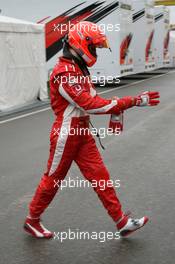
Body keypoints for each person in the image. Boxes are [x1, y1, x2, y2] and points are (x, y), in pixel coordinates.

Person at [24, 21, 160, 239]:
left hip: (81, 132)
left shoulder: (77, 69)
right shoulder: (64, 72)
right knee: (53, 180)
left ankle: (121, 222)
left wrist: (119, 104)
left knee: (101, 177)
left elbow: (95, 100)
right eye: (94, 47)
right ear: (81, 44)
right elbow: (90, 105)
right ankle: (32, 220)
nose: (95, 51)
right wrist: (131, 101)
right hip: (66, 134)